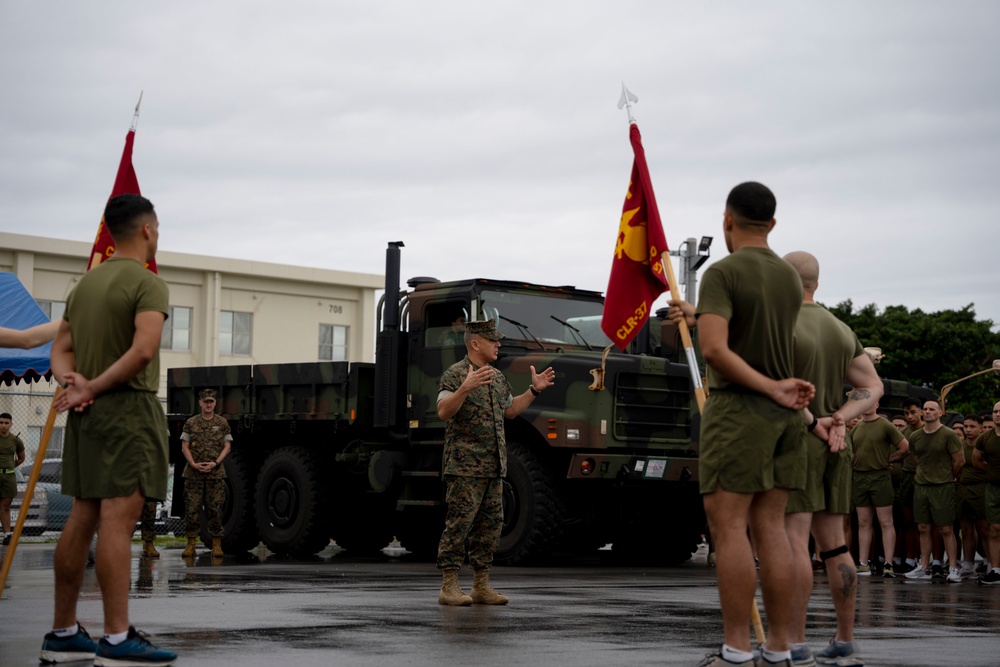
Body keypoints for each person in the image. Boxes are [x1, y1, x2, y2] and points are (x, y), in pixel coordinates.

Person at [674, 182, 814, 667]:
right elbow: (749, 329)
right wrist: (701, 314)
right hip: (786, 419)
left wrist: (768, 387)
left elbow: (715, 350)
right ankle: (778, 647)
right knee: (771, 528)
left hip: (740, 411)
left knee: (729, 529)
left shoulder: (724, 271)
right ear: (772, 224)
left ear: (727, 220)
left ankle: (735, 649)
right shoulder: (788, 277)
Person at [41, 193, 177, 665]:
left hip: (87, 418)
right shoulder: (148, 283)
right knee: (118, 524)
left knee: (82, 517)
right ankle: (116, 639)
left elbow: (60, 349)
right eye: (157, 229)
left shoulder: (86, 285)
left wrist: (73, 383)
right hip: (127, 412)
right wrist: (93, 386)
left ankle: (62, 632)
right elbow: (143, 351)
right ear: (145, 231)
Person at [780, 251, 883, 667]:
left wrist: (814, 422)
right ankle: (844, 641)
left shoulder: (780, 323)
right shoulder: (841, 329)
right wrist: (839, 416)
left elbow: (780, 386)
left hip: (798, 440)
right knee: (835, 546)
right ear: (816, 284)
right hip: (837, 444)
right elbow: (872, 387)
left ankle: (795, 642)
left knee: (794, 545)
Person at [435, 318, 554, 606]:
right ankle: (449, 586)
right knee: (460, 524)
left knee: (491, 526)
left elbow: (510, 411)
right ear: (476, 343)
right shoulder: (455, 375)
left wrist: (534, 390)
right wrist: (464, 388)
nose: (499, 344)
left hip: (494, 466)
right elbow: (443, 411)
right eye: (493, 340)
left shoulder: (497, 377)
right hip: (464, 467)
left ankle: (480, 585)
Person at [903, 400, 964, 583]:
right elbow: (916, 458)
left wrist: (948, 476)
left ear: (940, 413)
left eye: (932, 409)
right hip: (921, 486)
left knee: (946, 528)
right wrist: (926, 474)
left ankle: (953, 566)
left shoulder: (949, 434)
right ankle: (924, 566)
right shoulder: (915, 436)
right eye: (926, 409)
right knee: (922, 527)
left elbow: (959, 461)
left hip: (943, 486)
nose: (928, 412)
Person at [849, 402, 908, 577]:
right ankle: (862, 563)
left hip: (879, 477)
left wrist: (890, 459)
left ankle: (888, 564)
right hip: (859, 478)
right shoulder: (857, 428)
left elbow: (904, 446)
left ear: (877, 404)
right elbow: (850, 451)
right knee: (863, 522)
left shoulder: (885, 425)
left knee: (885, 522)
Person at [180, 388, 232, 558]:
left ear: (215, 403)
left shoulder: (222, 423)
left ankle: (217, 544)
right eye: (205, 401)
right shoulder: (191, 423)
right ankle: (191, 544)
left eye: (211, 401)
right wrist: (193, 464)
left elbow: (227, 446)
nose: (208, 404)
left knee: (216, 509)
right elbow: (184, 446)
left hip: (215, 474)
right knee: (192, 509)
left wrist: (216, 463)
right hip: (193, 474)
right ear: (200, 403)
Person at [957, 414, 989, 578]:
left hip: (982, 489)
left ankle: (991, 563)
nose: (968, 430)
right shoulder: (960, 445)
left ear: (981, 428)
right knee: (966, 529)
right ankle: (967, 565)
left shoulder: (985, 445)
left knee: (985, 530)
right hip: (963, 489)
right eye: (966, 426)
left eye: (972, 427)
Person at [973, 401, 1000, 584]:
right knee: (994, 529)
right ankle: (996, 570)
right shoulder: (985, 438)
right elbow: (976, 460)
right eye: (995, 411)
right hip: (993, 488)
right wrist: (991, 471)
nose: (998, 414)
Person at [0, 412, 26, 546]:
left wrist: (11, 465)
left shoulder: (16, 440)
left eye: (6, 423)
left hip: (9, 476)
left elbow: (21, 458)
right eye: (1, 423)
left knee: (5, 506)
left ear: (11, 424)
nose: (3, 426)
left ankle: (7, 534)